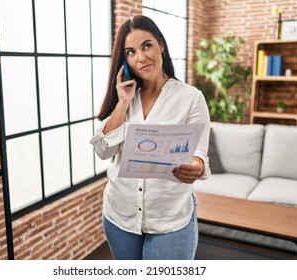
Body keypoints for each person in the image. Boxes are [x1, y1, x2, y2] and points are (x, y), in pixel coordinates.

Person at [90, 15, 211, 260]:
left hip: (170, 220)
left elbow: (199, 154)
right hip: (119, 216)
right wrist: (122, 103)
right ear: (125, 59)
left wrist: (196, 167)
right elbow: (103, 151)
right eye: (131, 52)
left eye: (146, 46)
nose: (141, 57)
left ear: (161, 45)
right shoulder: (125, 97)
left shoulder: (191, 98)